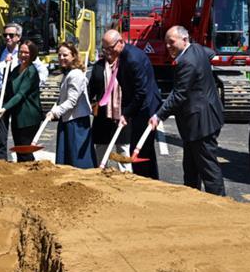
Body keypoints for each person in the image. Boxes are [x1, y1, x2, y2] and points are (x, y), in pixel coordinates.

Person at [149, 26, 226, 196]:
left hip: (201, 122)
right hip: (200, 120)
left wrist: (158, 115)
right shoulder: (198, 49)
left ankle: (222, 206)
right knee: (190, 168)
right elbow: (211, 53)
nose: (168, 46)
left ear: (184, 40)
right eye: (166, 43)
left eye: (172, 42)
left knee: (208, 169)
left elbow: (179, 95)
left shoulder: (186, 62)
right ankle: (191, 201)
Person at [89, 29, 160, 177]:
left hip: (145, 110)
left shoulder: (132, 59)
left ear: (121, 42)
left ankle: (146, 180)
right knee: (139, 148)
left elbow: (140, 92)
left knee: (142, 150)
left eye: (110, 48)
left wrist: (126, 113)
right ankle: (145, 178)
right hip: (136, 107)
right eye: (105, 48)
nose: (107, 52)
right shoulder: (122, 55)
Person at [0, 23, 49, 159]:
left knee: (24, 148)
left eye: (11, 35)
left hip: (22, 104)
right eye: (5, 35)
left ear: (18, 37)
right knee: (3, 135)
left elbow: (22, 92)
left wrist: (34, 87)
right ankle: (2, 160)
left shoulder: (30, 67)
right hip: (2, 96)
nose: (8, 38)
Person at [48, 42, 95, 168]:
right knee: (68, 157)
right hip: (68, 120)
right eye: (59, 55)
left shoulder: (75, 75)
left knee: (77, 158)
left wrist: (55, 112)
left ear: (73, 56)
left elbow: (71, 101)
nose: (62, 58)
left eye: (65, 55)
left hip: (76, 122)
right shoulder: (68, 73)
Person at [0, 40, 43, 162]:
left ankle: (31, 176)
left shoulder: (31, 72)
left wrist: (5, 108)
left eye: (26, 53)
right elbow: (8, 87)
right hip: (17, 117)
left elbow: (21, 94)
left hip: (29, 117)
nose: (23, 55)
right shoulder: (16, 69)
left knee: (25, 151)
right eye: (21, 52)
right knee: (19, 150)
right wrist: (6, 67)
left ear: (32, 54)